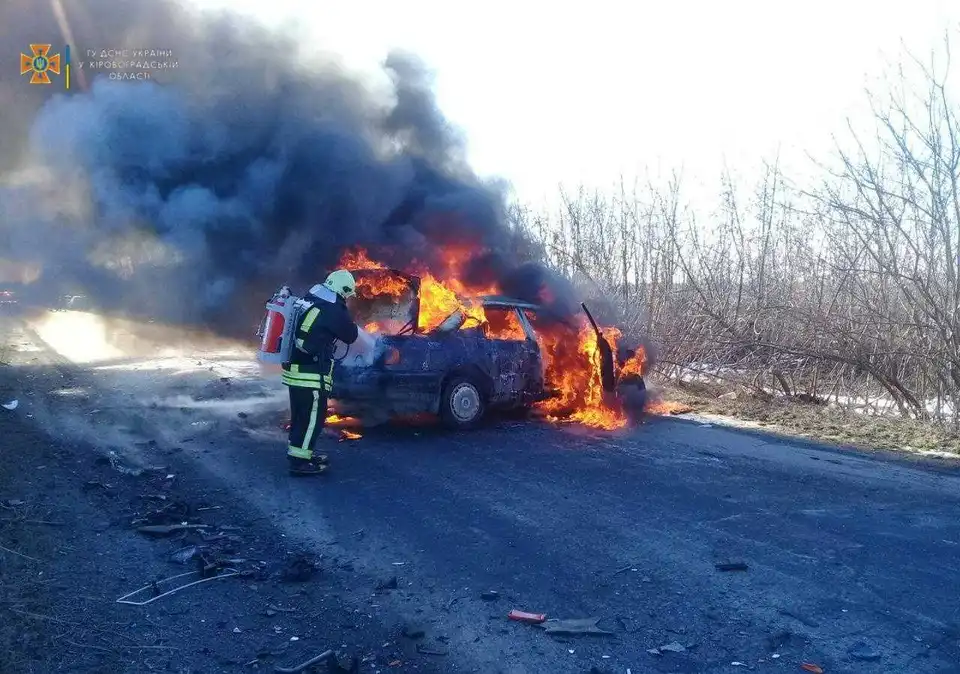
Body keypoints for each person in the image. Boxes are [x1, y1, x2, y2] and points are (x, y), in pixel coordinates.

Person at [282, 270, 359, 476]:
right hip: (311, 375)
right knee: (312, 419)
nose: (346, 299)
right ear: (342, 290)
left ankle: (300, 453)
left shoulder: (311, 298)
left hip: (296, 370)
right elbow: (351, 335)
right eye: (347, 295)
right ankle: (299, 463)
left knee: (300, 417)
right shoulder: (333, 308)